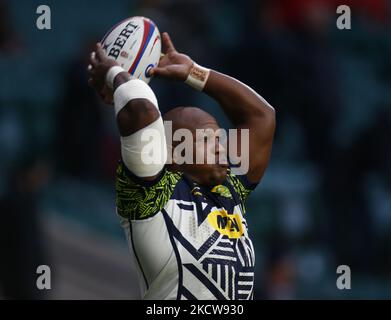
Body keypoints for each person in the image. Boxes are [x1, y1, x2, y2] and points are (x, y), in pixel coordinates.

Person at [87, 32, 275, 300]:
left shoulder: (228, 192)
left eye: (220, 139)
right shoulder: (149, 194)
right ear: (173, 154)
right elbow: (142, 108)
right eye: (208, 140)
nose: (222, 147)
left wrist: (195, 73)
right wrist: (115, 73)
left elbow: (262, 115)